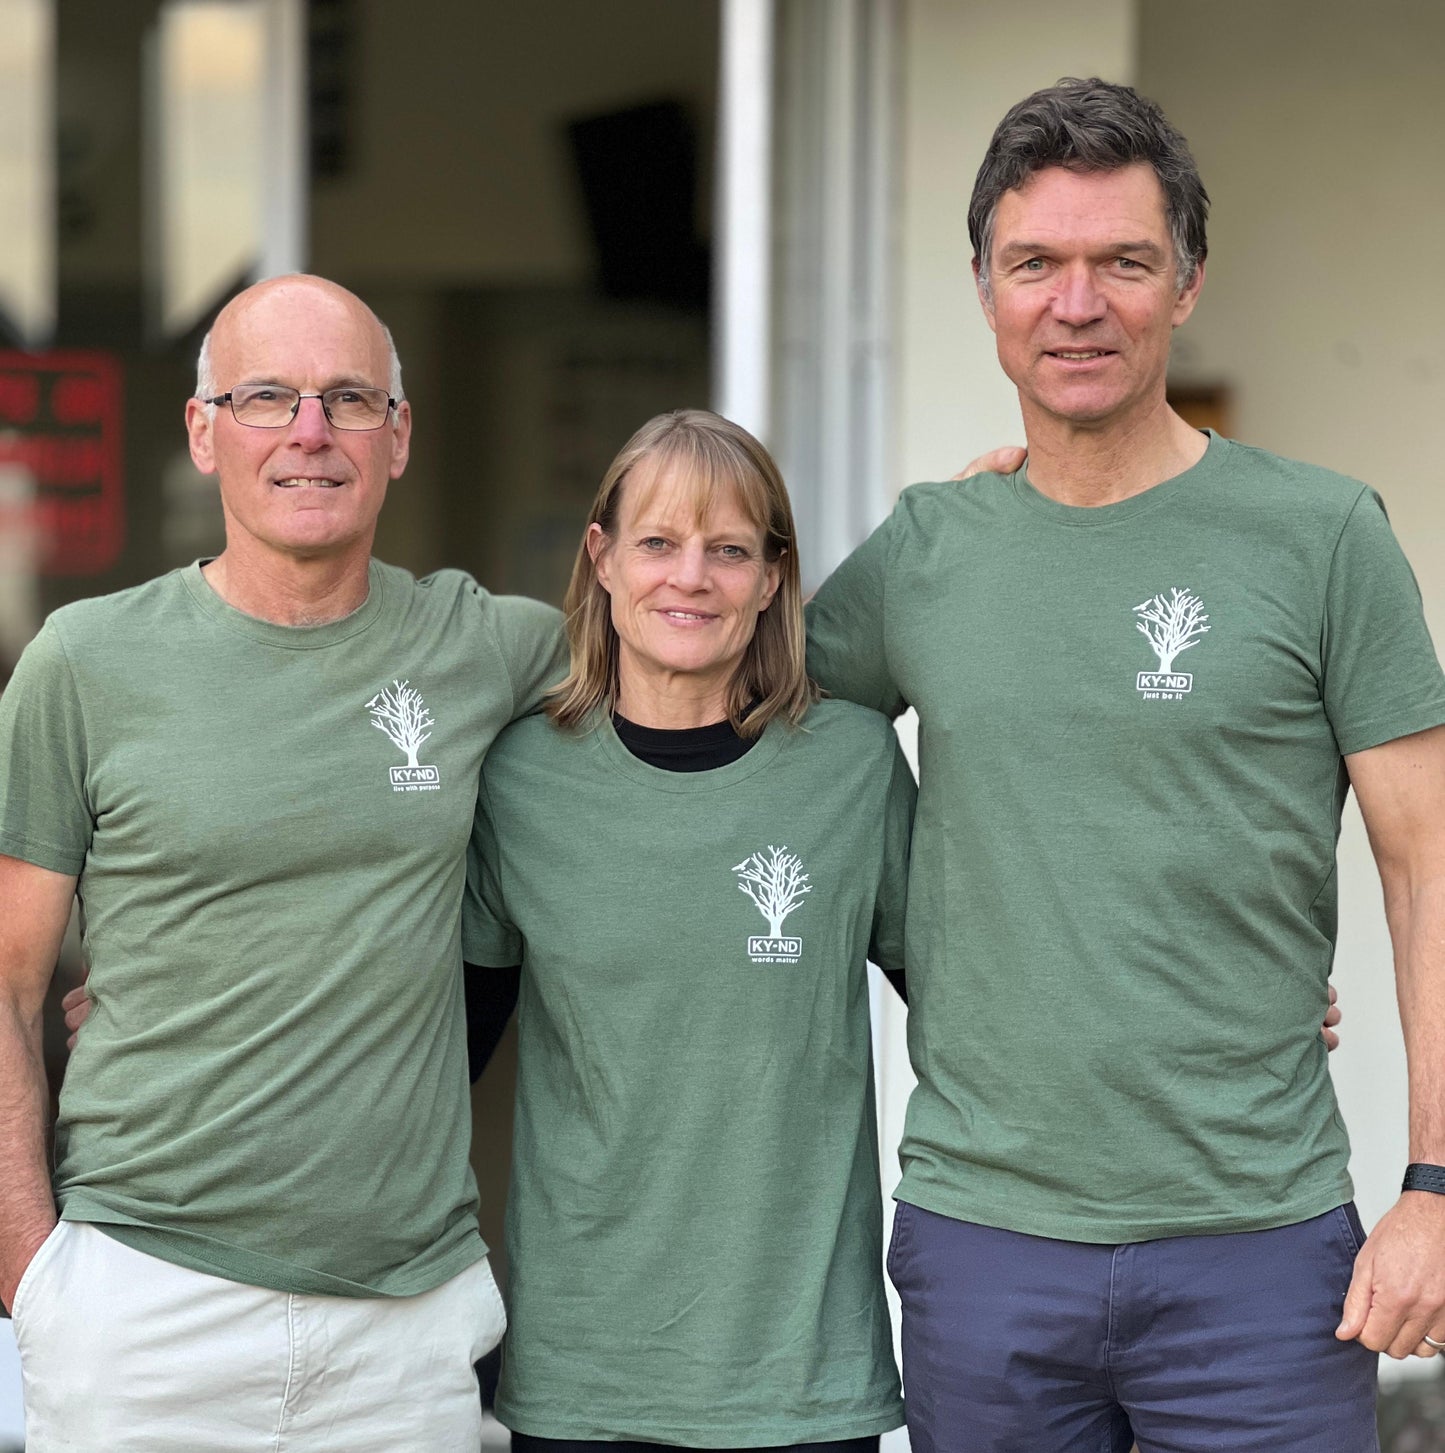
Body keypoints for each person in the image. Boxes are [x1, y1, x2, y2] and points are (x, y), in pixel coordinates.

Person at [805, 77, 1445, 1453]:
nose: (1075, 302)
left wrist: (1436, 1186)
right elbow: (749, 735)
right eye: (1035, 263)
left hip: (1260, 1250)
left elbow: (1427, 864)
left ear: (1189, 281)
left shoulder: (1322, 536)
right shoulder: (927, 550)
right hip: (984, 1244)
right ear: (982, 287)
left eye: (1122, 262)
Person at [0, 275, 566, 1451]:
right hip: (142, 1305)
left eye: (350, 399)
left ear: (397, 437)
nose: (310, 433)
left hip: (401, 1330)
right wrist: (31, 1270)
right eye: (268, 397)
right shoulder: (84, 664)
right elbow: (5, 986)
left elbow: (711, 637)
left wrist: (1017, 491)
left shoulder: (482, 647)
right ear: (204, 431)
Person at [462, 409, 913, 1450]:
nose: (689, 577)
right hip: (583, 1369)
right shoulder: (521, 777)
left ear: (769, 578)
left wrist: (1213, 1009)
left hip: (798, 1372)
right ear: (602, 559)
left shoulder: (846, 763)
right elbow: (438, 1047)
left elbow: (978, 998)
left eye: (728, 549)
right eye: (657, 543)